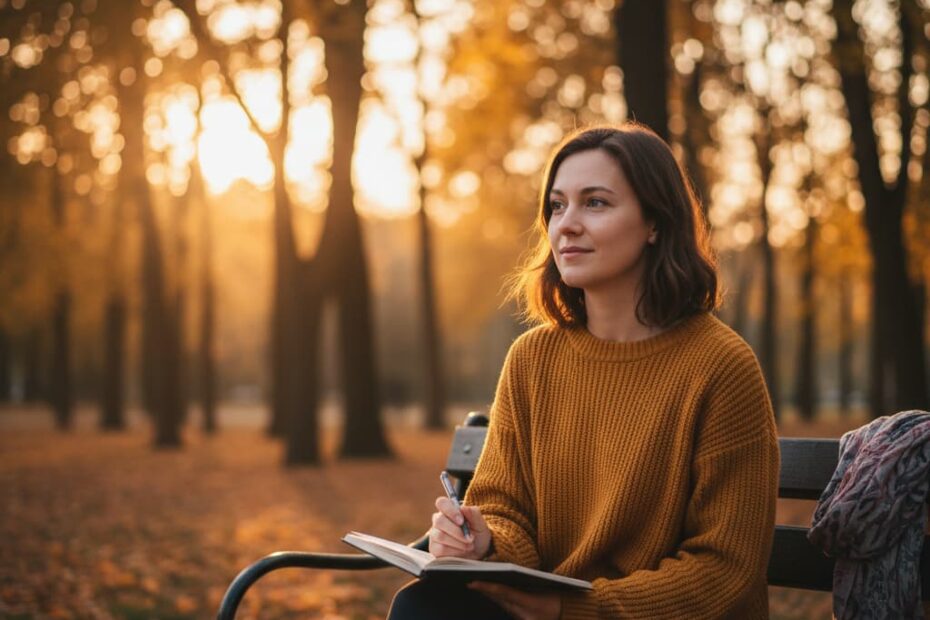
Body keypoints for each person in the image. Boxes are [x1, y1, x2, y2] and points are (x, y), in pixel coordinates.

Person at [388, 123, 779, 619]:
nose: (566, 224)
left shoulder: (721, 367)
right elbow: (505, 509)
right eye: (557, 205)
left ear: (655, 222)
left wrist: (579, 609)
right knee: (426, 606)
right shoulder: (533, 358)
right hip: (546, 612)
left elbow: (725, 568)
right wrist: (485, 544)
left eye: (595, 202)